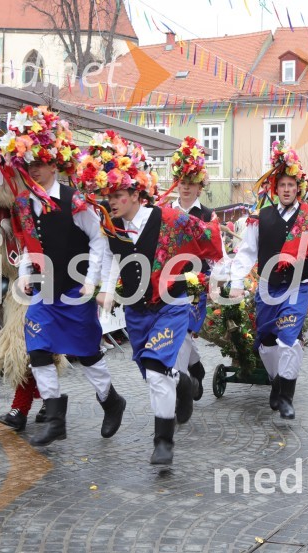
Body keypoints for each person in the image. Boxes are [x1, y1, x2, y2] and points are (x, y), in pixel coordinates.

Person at [85, 131, 223, 465]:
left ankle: (163, 441)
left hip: (171, 306)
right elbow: (110, 258)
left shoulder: (169, 218)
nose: (111, 201)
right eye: (108, 196)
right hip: (136, 311)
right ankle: (182, 382)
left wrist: (219, 277)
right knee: (151, 371)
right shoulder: (111, 226)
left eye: (118, 195)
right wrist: (105, 290)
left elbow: (210, 240)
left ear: (136, 194)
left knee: (157, 370)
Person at [6, 110, 126, 447]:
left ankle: (111, 401)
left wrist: (91, 281)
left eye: (41, 162)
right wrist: (26, 272)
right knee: (37, 349)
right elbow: (28, 243)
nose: (34, 168)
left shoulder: (75, 201)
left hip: (75, 287)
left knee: (86, 351)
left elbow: (99, 240)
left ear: (55, 164)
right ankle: (55, 418)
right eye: (30, 162)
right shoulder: (24, 203)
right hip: (45, 289)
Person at [229, 142, 308, 420]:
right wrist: (236, 282)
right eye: (281, 184)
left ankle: (286, 396)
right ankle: (276, 381)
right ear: (275, 187)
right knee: (267, 342)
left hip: (297, 286)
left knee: (289, 340)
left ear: (298, 188)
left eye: (291, 185)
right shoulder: (260, 217)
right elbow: (246, 252)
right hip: (267, 288)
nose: (286, 189)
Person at [169, 136, 220, 401]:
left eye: (192, 183)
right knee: (177, 334)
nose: (186, 187)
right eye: (182, 182)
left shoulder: (208, 215)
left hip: (196, 284)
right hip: (168, 282)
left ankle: (181, 391)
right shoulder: (165, 211)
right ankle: (195, 368)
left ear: (200, 186)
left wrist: (215, 283)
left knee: (184, 332)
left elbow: (216, 255)